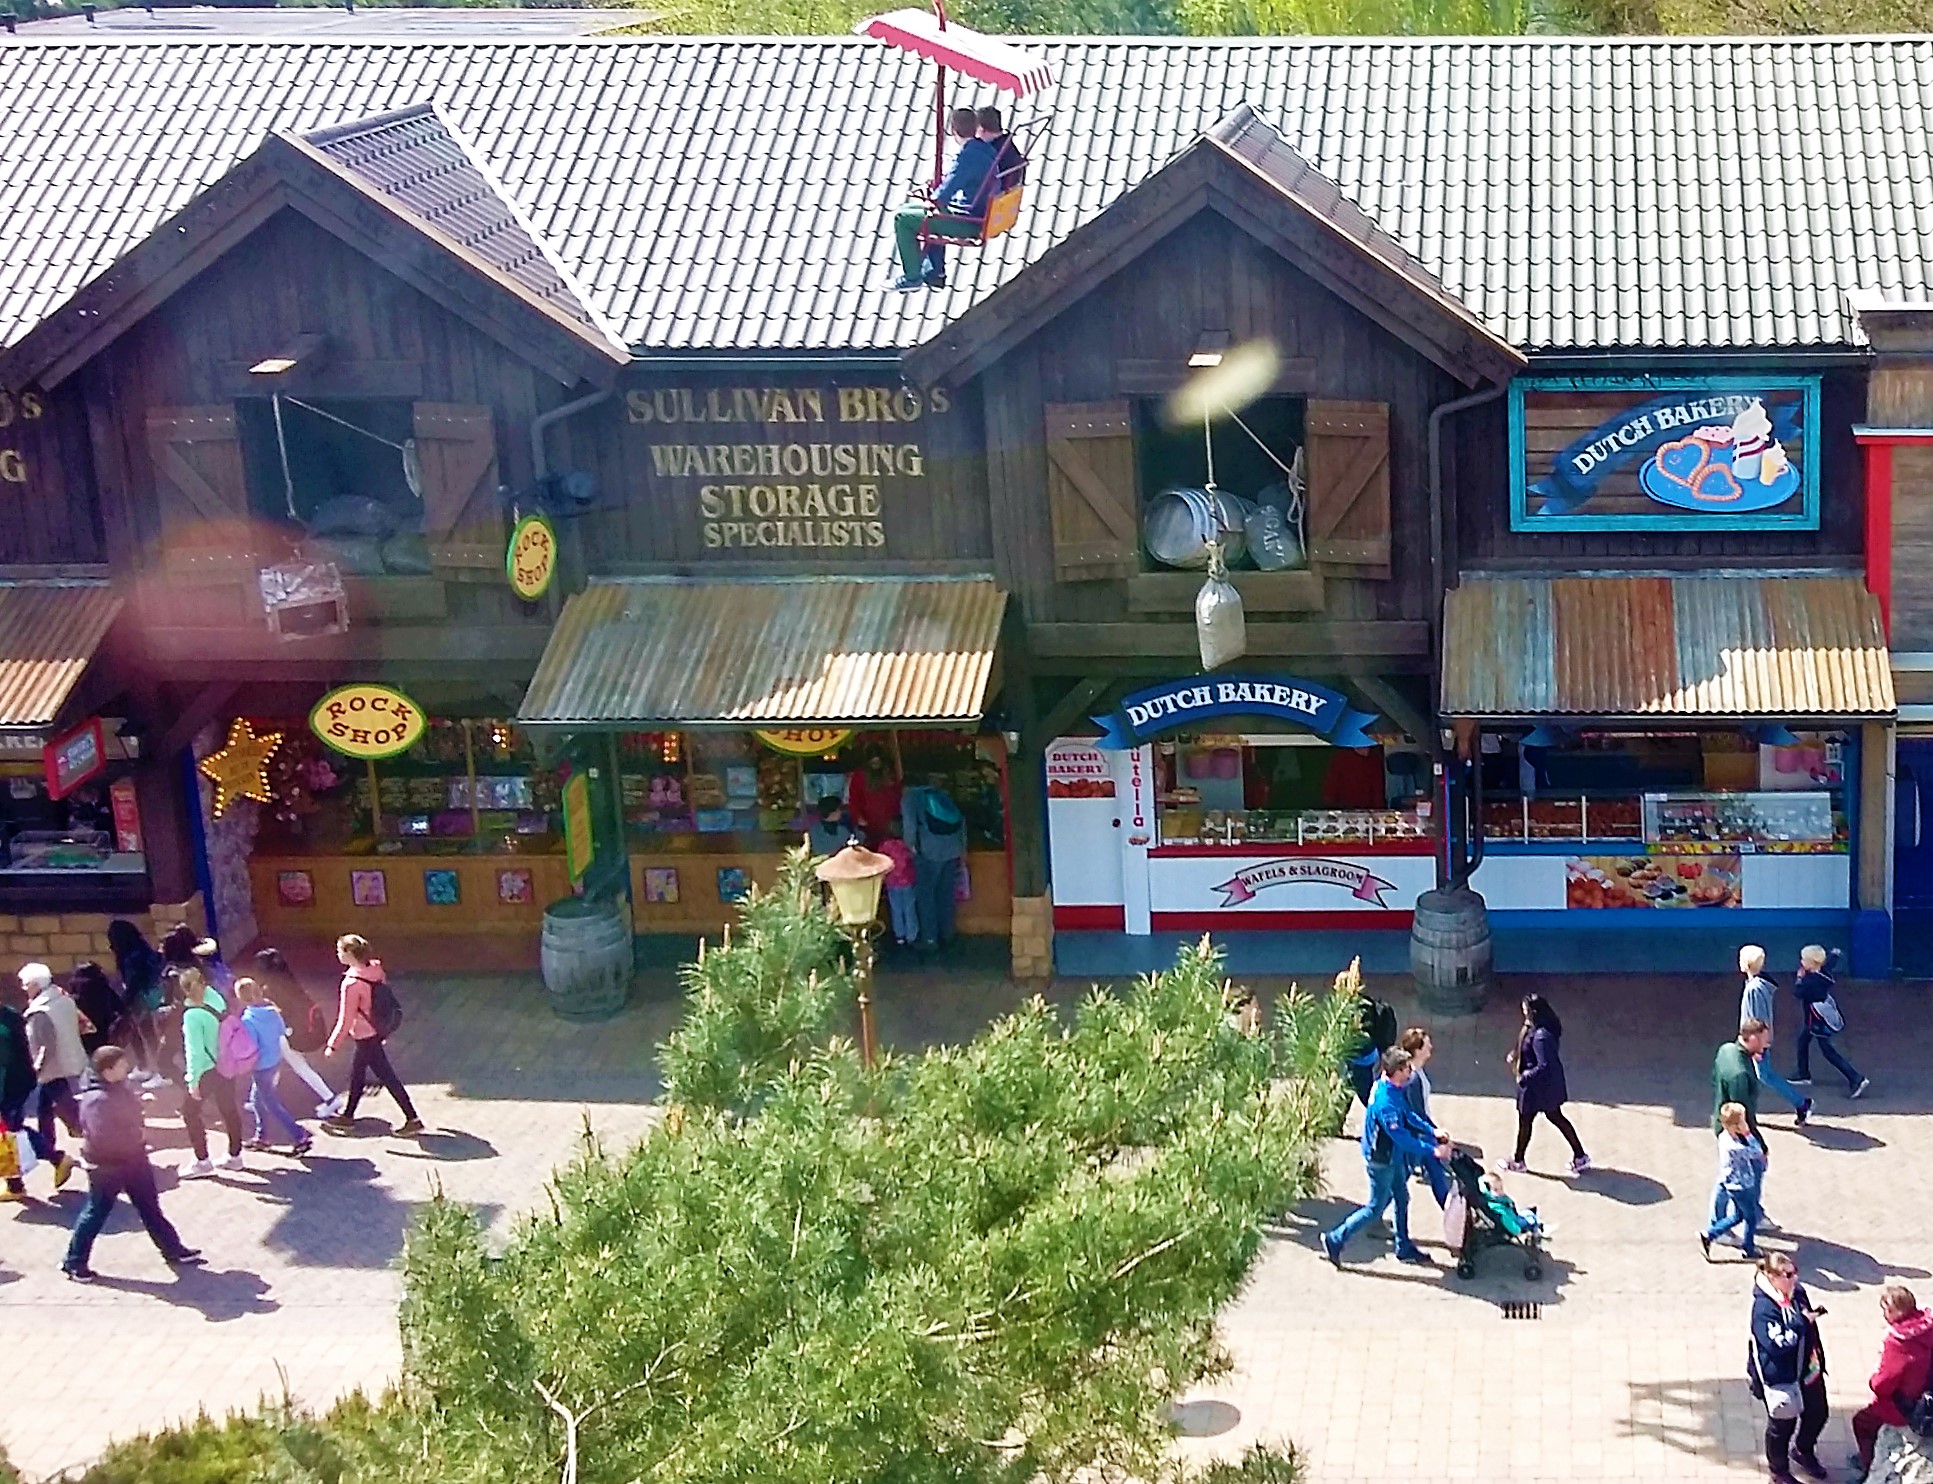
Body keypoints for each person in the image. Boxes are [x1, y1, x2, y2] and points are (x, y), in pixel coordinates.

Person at [61, 1044, 202, 1282]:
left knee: (150, 1207)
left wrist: (139, 1105)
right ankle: (74, 1262)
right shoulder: (97, 1100)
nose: (127, 1067)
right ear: (107, 1071)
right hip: (108, 1166)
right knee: (96, 1212)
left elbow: (125, 1109)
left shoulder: (116, 1087)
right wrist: (135, 1135)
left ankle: (173, 1250)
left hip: (133, 1159)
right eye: (122, 1065)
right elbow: (102, 1135)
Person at [1321, 1047, 1448, 1268]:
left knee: (1402, 1197)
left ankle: (1403, 1246)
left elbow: (1408, 1115)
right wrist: (1431, 1149)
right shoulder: (1385, 1102)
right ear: (1397, 1071)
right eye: (1407, 1068)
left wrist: (1431, 1131)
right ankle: (1335, 1238)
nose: (1411, 1072)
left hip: (1391, 1156)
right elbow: (1400, 1137)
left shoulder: (1389, 1087)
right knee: (1375, 1207)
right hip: (1381, 1161)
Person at [323, 935, 424, 1137]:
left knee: (386, 1076)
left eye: (340, 950)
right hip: (377, 1029)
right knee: (358, 1074)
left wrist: (333, 1045)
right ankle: (348, 1116)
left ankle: (412, 1118)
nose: (337, 954)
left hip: (365, 1035)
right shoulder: (375, 970)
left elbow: (346, 1018)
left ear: (350, 954)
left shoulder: (351, 984)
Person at [1748, 1252, 1831, 1484]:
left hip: (1809, 1369)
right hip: (1782, 1377)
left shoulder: (1798, 1293)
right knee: (1782, 1427)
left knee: (1818, 1414)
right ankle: (1779, 1471)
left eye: (1795, 1272)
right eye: (1788, 1275)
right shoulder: (1764, 1309)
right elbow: (1779, 1345)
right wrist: (1802, 1322)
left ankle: (1803, 1450)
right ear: (1772, 1276)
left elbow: (1805, 1326)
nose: (1794, 1278)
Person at [890, 112, 997, 290]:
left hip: (970, 222)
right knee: (909, 207)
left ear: (953, 131)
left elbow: (947, 190)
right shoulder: (986, 150)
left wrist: (933, 199)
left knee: (902, 218)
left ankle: (912, 276)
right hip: (979, 210)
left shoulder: (967, 157)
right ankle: (933, 271)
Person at [1503, 994, 1590, 1174]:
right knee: (1553, 1118)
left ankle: (1518, 1161)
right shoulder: (1534, 1027)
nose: (1523, 1012)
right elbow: (1524, 1043)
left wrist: (1525, 1076)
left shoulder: (1542, 1037)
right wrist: (1515, 1053)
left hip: (1538, 1088)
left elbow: (1544, 1065)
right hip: (1545, 1088)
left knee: (1527, 1121)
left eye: (1526, 1009)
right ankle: (1580, 1156)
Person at [1852, 1286, 1933, 1477]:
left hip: (1902, 1406)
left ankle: (1867, 1465)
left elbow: (1883, 1384)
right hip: (1926, 1394)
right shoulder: (1928, 1328)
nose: (1884, 1315)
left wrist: (1873, 1380)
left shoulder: (1898, 1342)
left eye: (1886, 1310)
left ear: (1896, 1311)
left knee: (1862, 1422)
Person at [1, 980, 70, 1199]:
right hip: (22, 1080)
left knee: (10, 1132)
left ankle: (55, 1159)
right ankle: (15, 1184)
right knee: (9, 1132)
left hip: (9, 1086)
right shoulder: (10, 1014)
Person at [254, 948, 342, 1116]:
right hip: (295, 1031)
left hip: (285, 1035)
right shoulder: (289, 981)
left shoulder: (269, 989)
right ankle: (262, 1099)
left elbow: (276, 1013)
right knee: (282, 1066)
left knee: (295, 1067)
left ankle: (330, 1099)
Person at [177, 968, 244, 1177]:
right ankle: (235, 1156)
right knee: (229, 1109)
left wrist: (192, 1081)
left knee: (189, 1113)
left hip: (207, 1070)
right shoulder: (214, 997)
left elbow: (195, 1052)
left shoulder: (192, 1016)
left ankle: (202, 1161)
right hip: (226, 1063)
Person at [1739, 945, 1814, 1126]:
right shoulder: (1758, 985)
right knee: (1761, 1075)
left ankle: (1801, 1103)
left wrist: (1757, 1045)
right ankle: (1800, 1103)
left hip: (1753, 1041)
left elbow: (1757, 1019)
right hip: (1755, 1040)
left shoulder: (1753, 989)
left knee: (1762, 1076)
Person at [22, 962, 85, 1180]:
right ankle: (51, 1152)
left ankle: (104, 1146)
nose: (24, 988)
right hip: (69, 1061)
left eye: (26, 984)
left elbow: (44, 1045)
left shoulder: (39, 1011)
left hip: (51, 1070)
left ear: (36, 984)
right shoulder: (63, 998)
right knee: (44, 1110)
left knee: (72, 1114)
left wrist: (35, 1069)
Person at [235, 978, 311, 1155]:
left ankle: (299, 1135)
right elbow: (281, 1031)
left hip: (260, 1065)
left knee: (270, 1103)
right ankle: (262, 1137)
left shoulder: (248, 1020)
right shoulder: (273, 1011)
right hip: (275, 1060)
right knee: (256, 1098)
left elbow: (250, 1046)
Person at [1791, 945, 1869, 1099]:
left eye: (1804, 960)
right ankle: (1803, 1074)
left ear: (1812, 963)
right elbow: (1831, 962)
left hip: (1817, 1018)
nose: (1801, 962)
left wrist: (1799, 978)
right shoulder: (1824, 971)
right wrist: (1835, 954)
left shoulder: (1810, 981)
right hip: (1816, 1016)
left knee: (1828, 1051)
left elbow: (1798, 993)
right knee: (1803, 1040)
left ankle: (1856, 1078)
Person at [902, 774, 967, 952]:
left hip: (929, 852)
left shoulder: (910, 797)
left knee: (926, 895)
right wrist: (962, 848)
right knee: (946, 893)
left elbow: (909, 825)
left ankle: (930, 939)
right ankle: (948, 933)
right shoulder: (941, 793)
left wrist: (911, 847)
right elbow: (960, 820)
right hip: (952, 849)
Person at [1702, 1101, 1769, 1260]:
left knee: (1738, 1215)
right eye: (1742, 1121)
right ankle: (1748, 1249)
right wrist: (1747, 1133)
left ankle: (1710, 1234)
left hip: (1732, 1182)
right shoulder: (1735, 1147)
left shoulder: (1724, 1137)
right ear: (1735, 1125)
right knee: (1751, 1218)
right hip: (1741, 1186)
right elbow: (1757, 1152)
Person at [107, 919, 169, 1088]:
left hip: (140, 1000)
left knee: (143, 1034)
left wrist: (123, 1002)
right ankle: (154, 1068)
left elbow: (133, 983)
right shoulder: (143, 948)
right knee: (148, 1035)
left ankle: (153, 1069)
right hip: (151, 997)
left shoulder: (130, 958)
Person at [1398, 1026, 1451, 1207]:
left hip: (1422, 1132)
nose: (1431, 1048)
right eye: (1427, 1046)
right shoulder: (1413, 1077)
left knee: (1436, 1175)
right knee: (1404, 1177)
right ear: (1417, 1051)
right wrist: (1436, 1132)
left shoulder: (1416, 1072)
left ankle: (1455, 1220)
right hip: (1418, 1134)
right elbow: (1417, 1112)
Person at [845, 750, 904, 847]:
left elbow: (897, 794)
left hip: (890, 821)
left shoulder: (889, 773)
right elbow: (854, 798)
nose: (876, 765)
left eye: (878, 762)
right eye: (873, 763)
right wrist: (858, 816)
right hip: (869, 821)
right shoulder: (860, 775)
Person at [66, 961, 123, 1059]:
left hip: (83, 1035)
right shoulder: (103, 987)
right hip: (104, 1031)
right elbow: (120, 1007)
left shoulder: (74, 994)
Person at [877, 819, 919, 948]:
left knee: (896, 909)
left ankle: (899, 935)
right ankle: (912, 935)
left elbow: (880, 861)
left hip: (892, 882)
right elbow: (914, 858)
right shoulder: (907, 844)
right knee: (909, 908)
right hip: (907, 881)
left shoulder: (885, 845)